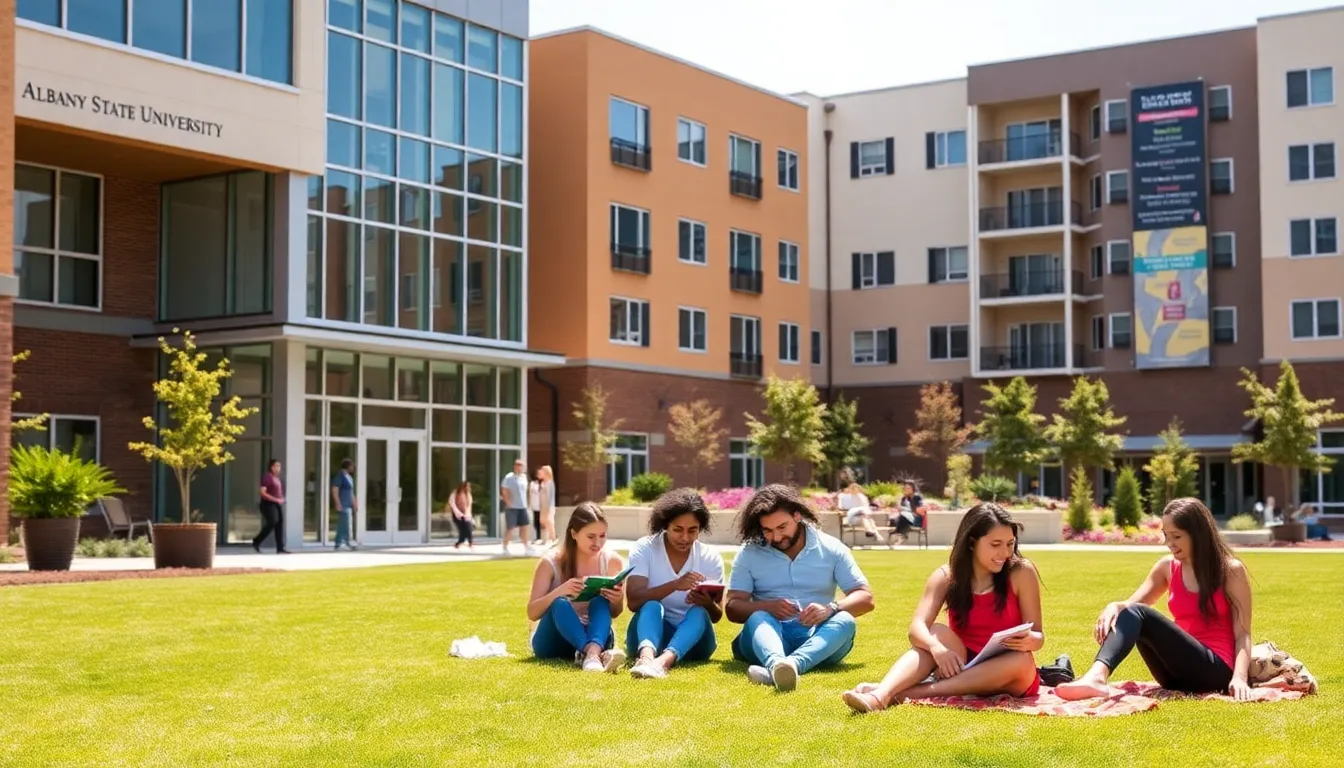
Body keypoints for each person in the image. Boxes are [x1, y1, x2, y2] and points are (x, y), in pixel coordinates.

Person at [842, 502, 1044, 712]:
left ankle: (897, 693)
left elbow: (1038, 636)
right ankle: (882, 694)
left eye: (1010, 543)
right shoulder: (946, 576)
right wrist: (936, 648)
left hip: (1008, 671)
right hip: (961, 664)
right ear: (972, 543)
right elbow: (916, 629)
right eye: (996, 544)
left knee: (1021, 661)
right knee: (934, 632)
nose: (1005, 552)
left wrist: (1032, 640)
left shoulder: (1021, 572)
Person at [1056, 497, 1255, 701]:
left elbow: (1243, 634)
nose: (1169, 544)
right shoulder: (1167, 568)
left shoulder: (1231, 570)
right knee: (1131, 613)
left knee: (1140, 613)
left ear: (1198, 534)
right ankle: (1096, 677)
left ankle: (1097, 678)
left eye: (1176, 536)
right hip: (1173, 676)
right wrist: (1114, 606)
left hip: (1216, 671)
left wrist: (1239, 678)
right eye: (1165, 536)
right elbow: (1131, 608)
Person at [725, 484, 875, 691]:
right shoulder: (749, 552)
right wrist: (768, 607)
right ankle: (779, 663)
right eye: (767, 530)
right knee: (758, 617)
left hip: (818, 641)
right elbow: (732, 608)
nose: (776, 537)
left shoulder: (831, 548)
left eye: (782, 527)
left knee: (845, 619)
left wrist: (830, 608)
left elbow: (866, 599)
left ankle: (786, 667)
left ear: (797, 516)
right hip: (767, 638)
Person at [624, 488, 726, 679]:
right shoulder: (645, 548)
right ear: (665, 525)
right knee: (652, 605)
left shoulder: (710, 557)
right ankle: (646, 659)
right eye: (678, 530)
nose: (685, 538)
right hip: (648, 637)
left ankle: (663, 663)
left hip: (694, 644)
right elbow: (634, 601)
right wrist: (674, 585)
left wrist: (706, 602)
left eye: (692, 530)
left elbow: (716, 616)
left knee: (698, 611)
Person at [526, 502, 628, 673]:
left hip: (597, 635)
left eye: (603, 536)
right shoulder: (550, 562)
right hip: (553, 640)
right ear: (574, 533)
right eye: (591, 536)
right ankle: (592, 653)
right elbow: (532, 612)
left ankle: (591, 653)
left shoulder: (612, 561)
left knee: (600, 601)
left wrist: (616, 599)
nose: (598, 542)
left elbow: (615, 612)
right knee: (560, 603)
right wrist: (560, 591)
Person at [254, 459, 290, 554]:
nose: (279, 468)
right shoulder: (268, 477)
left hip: (276, 504)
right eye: (277, 466)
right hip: (267, 504)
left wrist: (281, 499)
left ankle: (280, 548)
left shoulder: (277, 478)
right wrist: (276, 499)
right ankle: (257, 541)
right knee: (273, 521)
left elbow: (278, 492)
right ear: (272, 467)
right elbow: (262, 492)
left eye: (279, 466)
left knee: (279, 524)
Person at [500, 459, 534, 556]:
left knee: (524, 527)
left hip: (522, 507)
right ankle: (505, 547)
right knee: (510, 528)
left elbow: (526, 492)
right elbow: (504, 490)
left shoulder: (523, 477)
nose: (520, 467)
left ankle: (526, 546)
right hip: (512, 508)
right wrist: (507, 501)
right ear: (515, 466)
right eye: (518, 465)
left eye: (521, 466)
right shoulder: (509, 477)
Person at [330, 458, 358, 551]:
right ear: (348, 466)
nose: (353, 467)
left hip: (349, 504)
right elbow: (335, 489)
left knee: (342, 524)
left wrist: (355, 503)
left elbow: (351, 492)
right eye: (352, 466)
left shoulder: (349, 477)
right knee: (346, 524)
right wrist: (337, 502)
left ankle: (338, 543)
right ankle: (348, 541)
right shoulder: (340, 476)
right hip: (343, 503)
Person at [449, 481, 474, 550]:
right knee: (462, 530)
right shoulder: (455, 493)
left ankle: (470, 543)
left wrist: (467, 514)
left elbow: (469, 505)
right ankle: (460, 543)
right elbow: (452, 503)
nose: (468, 488)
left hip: (466, 515)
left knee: (469, 529)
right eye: (467, 486)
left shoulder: (468, 494)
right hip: (457, 515)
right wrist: (458, 513)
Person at [536, 465, 557, 547]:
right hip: (543, 506)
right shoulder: (542, 483)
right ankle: (544, 539)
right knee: (543, 522)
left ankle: (553, 539)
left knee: (549, 522)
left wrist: (549, 507)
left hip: (549, 506)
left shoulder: (550, 483)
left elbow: (550, 496)